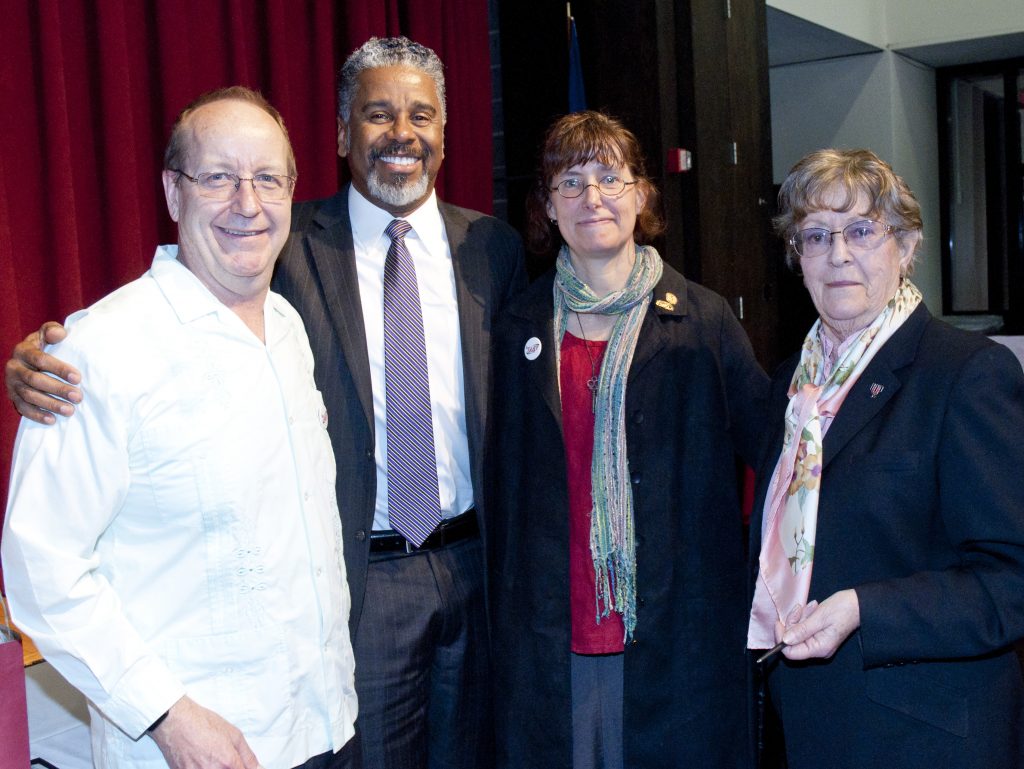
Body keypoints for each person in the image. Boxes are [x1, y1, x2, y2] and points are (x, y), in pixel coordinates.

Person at [5, 37, 526, 769]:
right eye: (378, 114)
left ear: (445, 131)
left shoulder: (491, 251)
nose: (401, 133)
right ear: (343, 134)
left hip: (462, 576)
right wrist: (41, 360)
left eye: (421, 114)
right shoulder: (284, 253)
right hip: (363, 588)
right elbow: (43, 557)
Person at [1, 87, 358, 769]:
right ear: (173, 192)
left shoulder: (288, 330)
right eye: (218, 177)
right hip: (189, 749)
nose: (247, 204)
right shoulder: (97, 352)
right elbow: (40, 568)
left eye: (267, 179)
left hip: (323, 726)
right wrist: (167, 714)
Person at [485, 110, 768, 769]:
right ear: (548, 207)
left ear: (643, 195)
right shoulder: (515, 324)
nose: (593, 197)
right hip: (556, 639)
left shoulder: (702, 318)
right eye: (571, 181)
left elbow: (776, 451)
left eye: (611, 177)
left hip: (676, 640)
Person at [747, 148, 1024, 769]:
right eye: (815, 235)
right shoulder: (795, 383)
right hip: (813, 723)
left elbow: (1012, 580)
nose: (838, 253)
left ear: (907, 246)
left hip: (926, 734)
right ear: (798, 258)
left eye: (862, 230)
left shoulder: (966, 374)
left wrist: (865, 609)